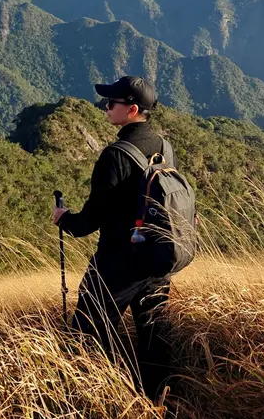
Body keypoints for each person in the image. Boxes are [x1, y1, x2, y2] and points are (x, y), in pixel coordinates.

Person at [52, 75, 177, 403]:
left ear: (132, 109)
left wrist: (65, 219)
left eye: (112, 103)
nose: (105, 107)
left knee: (87, 336)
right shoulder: (165, 148)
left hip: (117, 265)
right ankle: (158, 403)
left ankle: (98, 401)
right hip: (157, 262)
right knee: (154, 339)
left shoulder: (115, 156)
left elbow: (90, 220)